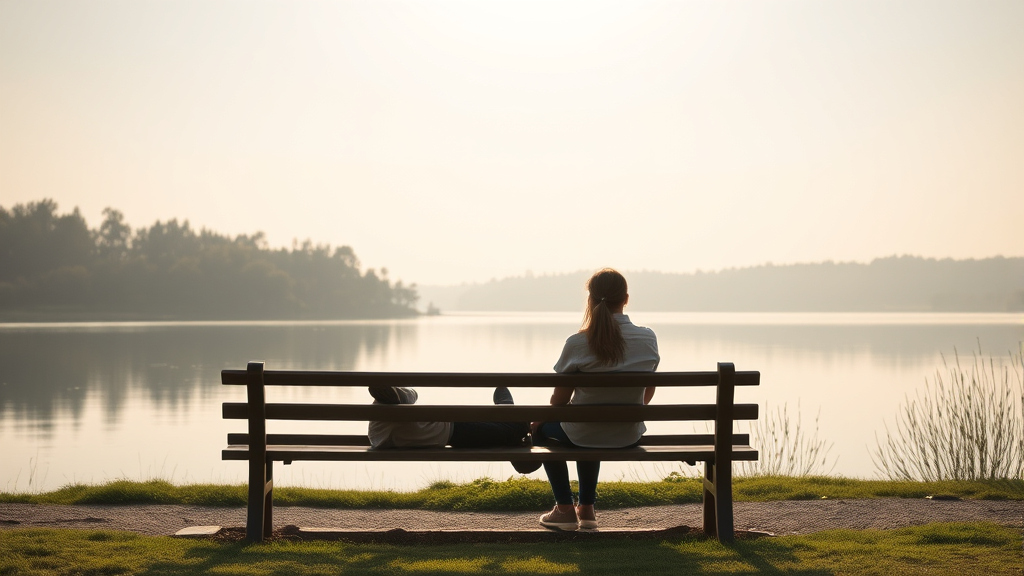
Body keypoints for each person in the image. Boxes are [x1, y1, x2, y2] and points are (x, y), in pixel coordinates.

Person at [533, 268, 659, 531]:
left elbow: (558, 402)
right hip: (628, 434)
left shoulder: (578, 343)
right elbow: (648, 392)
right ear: (625, 298)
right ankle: (587, 510)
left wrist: (536, 423)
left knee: (548, 431)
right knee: (585, 426)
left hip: (583, 431)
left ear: (590, 299)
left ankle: (565, 509)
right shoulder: (648, 338)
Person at [367, 385, 531, 452]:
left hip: (454, 430)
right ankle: (507, 408)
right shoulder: (383, 425)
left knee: (511, 426)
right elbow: (413, 394)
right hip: (455, 430)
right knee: (519, 425)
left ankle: (507, 412)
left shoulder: (378, 432)